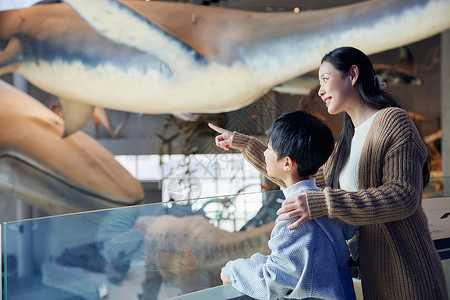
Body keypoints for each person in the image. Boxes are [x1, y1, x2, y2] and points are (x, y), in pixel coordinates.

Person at [210, 46, 448, 299]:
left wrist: (322, 202)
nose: (320, 90)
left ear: (353, 74)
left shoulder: (392, 121)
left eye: (325, 78)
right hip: (373, 275)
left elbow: (404, 196)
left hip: (409, 273)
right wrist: (244, 144)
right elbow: (295, 171)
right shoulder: (346, 143)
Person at [213, 110, 359, 300]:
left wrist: (231, 270)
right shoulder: (324, 202)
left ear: (287, 163)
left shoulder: (296, 214)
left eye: (269, 148)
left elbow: (273, 281)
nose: (265, 152)